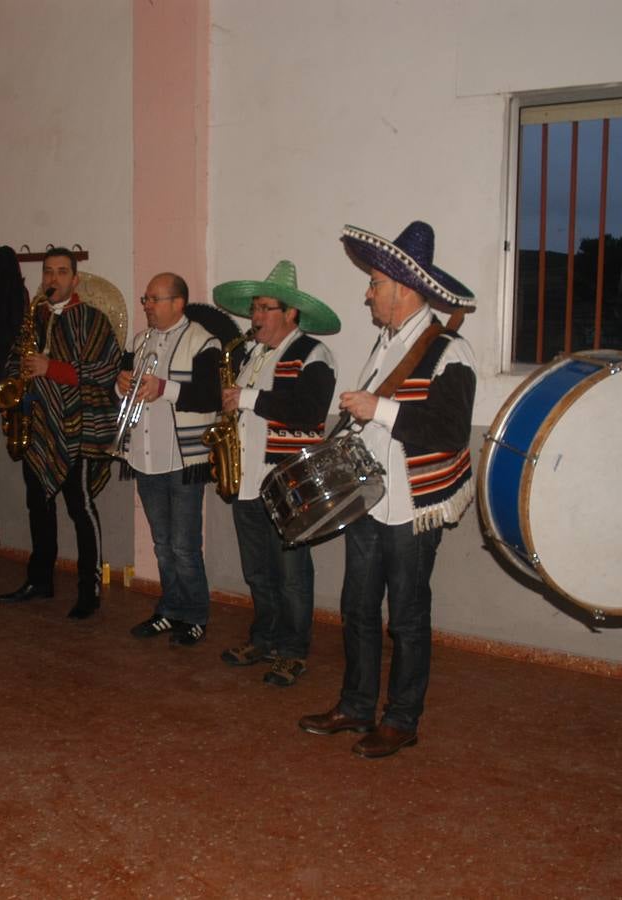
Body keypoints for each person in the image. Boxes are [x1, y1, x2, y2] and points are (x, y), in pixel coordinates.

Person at [298, 221, 477, 759]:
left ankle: (402, 718)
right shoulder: (387, 344)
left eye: (375, 283)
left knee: (406, 617)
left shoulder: (452, 350)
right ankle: (356, 706)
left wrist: (381, 408)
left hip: (411, 505)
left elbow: (447, 432)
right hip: (369, 501)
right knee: (356, 608)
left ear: (404, 288)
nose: (368, 293)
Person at [212, 260, 338, 683]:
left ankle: (293, 650)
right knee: (257, 571)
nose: (257, 317)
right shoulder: (250, 354)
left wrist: (247, 399)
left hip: (287, 483)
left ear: (291, 314)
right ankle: (264, 637)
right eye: (255, 308)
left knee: (291, 575)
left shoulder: (313, 355)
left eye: (267, 308)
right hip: (245, 479)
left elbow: (309, 413)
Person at [0, 248, 120, 620]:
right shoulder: (32, 317)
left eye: (61, 272)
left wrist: (52, 368)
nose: (53, 279)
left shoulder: (93, 320)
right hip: (38, 427)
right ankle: (40, 580)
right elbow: (14, 362)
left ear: (75, 279)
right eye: (48, 272)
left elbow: (107, 370)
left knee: (80, 508)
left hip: (79, 427)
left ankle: (90, 589)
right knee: (38, 506)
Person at [121, 273, 222, 645]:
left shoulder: (204, 342)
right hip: (145, 456)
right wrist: (121, 384)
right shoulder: (139, 340)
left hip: (183, 459)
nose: (146, 305)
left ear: (178, 303)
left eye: (153, 299)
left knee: (183, 546)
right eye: (145, 298)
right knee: (162, 544)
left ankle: (195, 615)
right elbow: (126, 388)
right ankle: (170, 609)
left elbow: (210, 396)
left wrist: (164, 388)